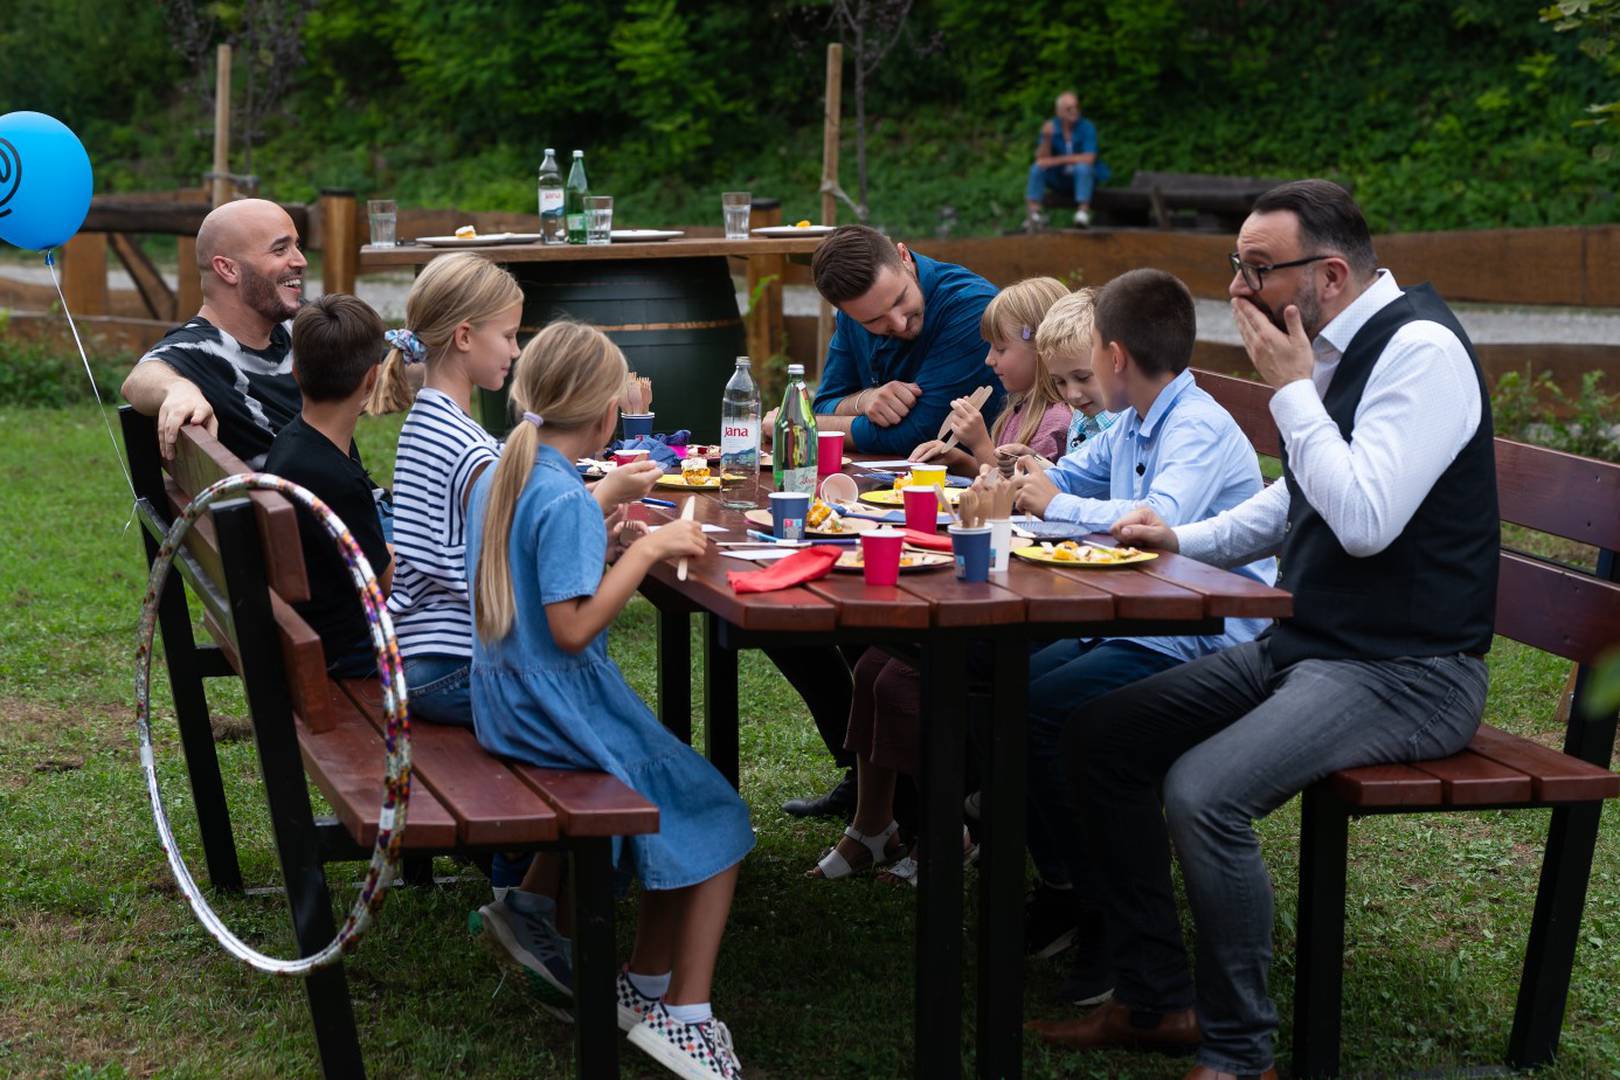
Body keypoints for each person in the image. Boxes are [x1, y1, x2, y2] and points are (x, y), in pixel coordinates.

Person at [1029, 180, 1496, 1080]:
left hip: (1409, 670)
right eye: (1234, 269)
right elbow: (1297, 500)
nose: (1238, 294)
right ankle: (1156, 999)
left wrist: (1290, 395)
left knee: (1205, 792)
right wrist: (1180, 536)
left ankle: (1241, 1054)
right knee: (1100, 737)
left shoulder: (1421, 352)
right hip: (1313, 647)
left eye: (1255, 272)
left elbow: (1362, 517)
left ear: (1326, 274)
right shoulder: (1337, 351)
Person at [466, 320, 752, 1080]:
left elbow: (539, 564)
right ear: (605, 418)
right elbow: (571, 627)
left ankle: (646, 987)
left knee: (679, 792)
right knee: (716, 810)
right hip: (557, 704)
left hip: (507, 697)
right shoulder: (560, 498)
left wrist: (602, 521)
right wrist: (652, 548)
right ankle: (686, 1017)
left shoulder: (507, 470)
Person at [1003, 269, 1275, 1007]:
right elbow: (1070, 479)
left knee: (1037, 712)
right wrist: (1028, 474)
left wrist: (1057, 500)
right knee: (1002, 687)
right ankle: (1069, 885)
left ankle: (1097, 915)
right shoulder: (1132, 419)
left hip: (1208, 632)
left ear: (1115, 357)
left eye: (1090, 360)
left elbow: (1157, 523)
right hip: (1139, 620)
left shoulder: (1196, 426)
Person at [768, 224, 1000, 458]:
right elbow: (823, 405)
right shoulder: (852, 316)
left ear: (904, 257)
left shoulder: (971, 307)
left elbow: (919, 433)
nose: (899, 323)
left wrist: (800, 428)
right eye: (875, 320)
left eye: (900, 299)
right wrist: (863, 400)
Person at [261, 295, 394, 677]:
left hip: (317, 630)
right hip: (349, 651)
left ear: (296, 372)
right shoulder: (335, 480)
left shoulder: (293, 441)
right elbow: (385, 584)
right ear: (372, 378)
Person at [122, 198, 307, 465]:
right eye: (280, 250)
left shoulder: (301, 327)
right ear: (228, 269)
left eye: (297, 246)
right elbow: (139, 379)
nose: (300, 260)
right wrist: (177, 388)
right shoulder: (202, 349)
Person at [907, 276, 1073, 476]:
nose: (989, 359)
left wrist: (979, 443)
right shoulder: (1018, 410)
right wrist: (958, 460)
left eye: (1000, 349)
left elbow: (1017, 492)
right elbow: (992, 473)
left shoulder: (1055, 421)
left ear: (1040, 348)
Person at [1024, 92, 1110, 231]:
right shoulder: (1051, 127)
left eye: (1076, 107)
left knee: (1083, 168)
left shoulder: (1087, 127)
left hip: (1083, 179)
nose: (1074, 111)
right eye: (1069, 108)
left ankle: (1082, 213)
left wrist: (1057, 160)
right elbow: (1041, 159)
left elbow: (1089, 158)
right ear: (1059, 112)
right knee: (1036, 168)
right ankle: (1034, 214)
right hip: (1060, 179)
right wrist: (1046, 139)